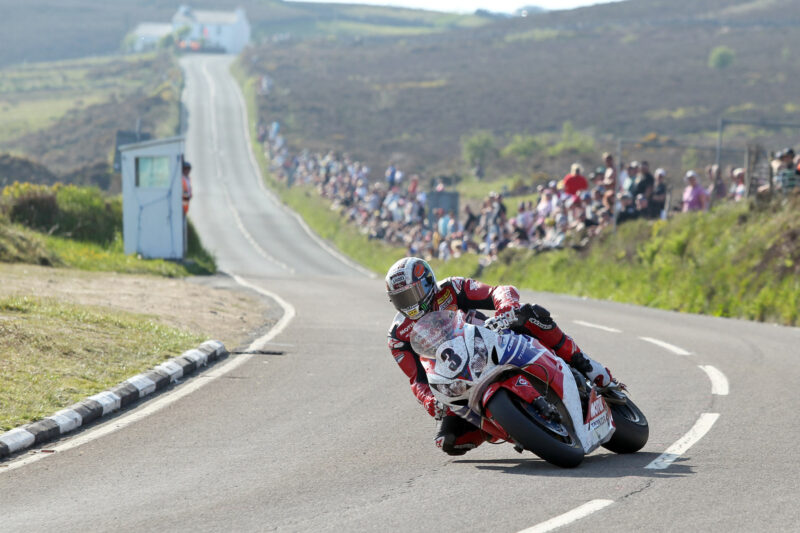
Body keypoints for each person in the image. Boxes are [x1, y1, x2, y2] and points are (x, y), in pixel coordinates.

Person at [385, 257, 614, 456]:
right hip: (458, 379)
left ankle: (582, 362)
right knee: (448, 441)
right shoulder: (398, 336)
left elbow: (498, 290)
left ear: (427, 284)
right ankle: (504, 424)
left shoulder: (452, 288)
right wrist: (429, 401)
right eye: (401, 299)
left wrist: (506, 307)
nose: (410, 304)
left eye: (412, 294)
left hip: (490, 339)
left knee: (529, 313)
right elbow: (416, 379)